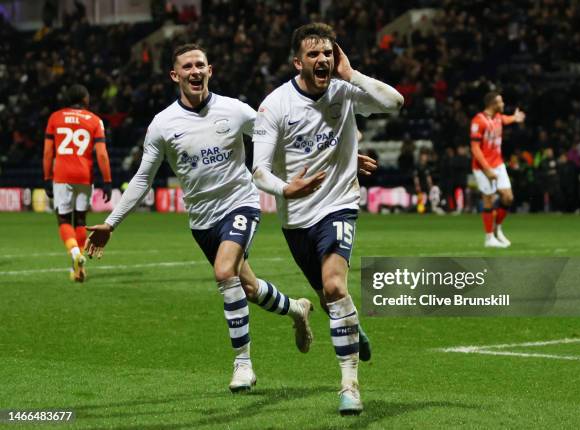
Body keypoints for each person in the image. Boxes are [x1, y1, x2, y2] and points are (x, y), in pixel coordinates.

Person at [84, 44, 314, 393]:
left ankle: (243, 365)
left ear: (210, 71)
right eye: (187, 66)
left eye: (200, 65)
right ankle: (297, 309)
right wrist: (111, 223)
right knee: (248, 288)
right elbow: (144, 179)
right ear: (175, 75)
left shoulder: (234, 110)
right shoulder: (162, 124)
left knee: (224, 272)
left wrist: (332, 156)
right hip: (201, 221)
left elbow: (276, 138)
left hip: (240, 204)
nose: (195, 71)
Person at [251, 23, 403, 415]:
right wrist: (286, 189)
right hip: (296, 217)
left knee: (335, 287)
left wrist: (352, 74)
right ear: (297, 61)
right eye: (314, 54)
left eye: (328, 53)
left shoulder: (344, 89)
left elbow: (395, 103)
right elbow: (259, 171)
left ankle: (349, 385)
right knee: (327, 296)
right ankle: (346, 326)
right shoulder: (276, 105)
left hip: (339, 204)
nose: (323, 60)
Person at [43, 84, 112, 282]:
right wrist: (107, 180)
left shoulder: (55, 117)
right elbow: (102, 154)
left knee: (64, 220)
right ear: (84, 99)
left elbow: (48, 152)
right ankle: (79, 269)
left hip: (62, 175)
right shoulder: (95, 120)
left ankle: (75, 254)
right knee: (80, 220)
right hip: (84, 175)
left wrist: (47, 177)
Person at [470, 91, 525, 248]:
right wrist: (486, 169)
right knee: (488, 200)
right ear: (492, 104)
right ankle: (489, 239)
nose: (503, 104)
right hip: (482, 167)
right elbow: (475, 148)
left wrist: (515, 118)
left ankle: (496, 229)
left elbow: (505, 119)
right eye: (500, 102)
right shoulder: (478, 121)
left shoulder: (498, 118)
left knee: (508, 198)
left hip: (498, 164)